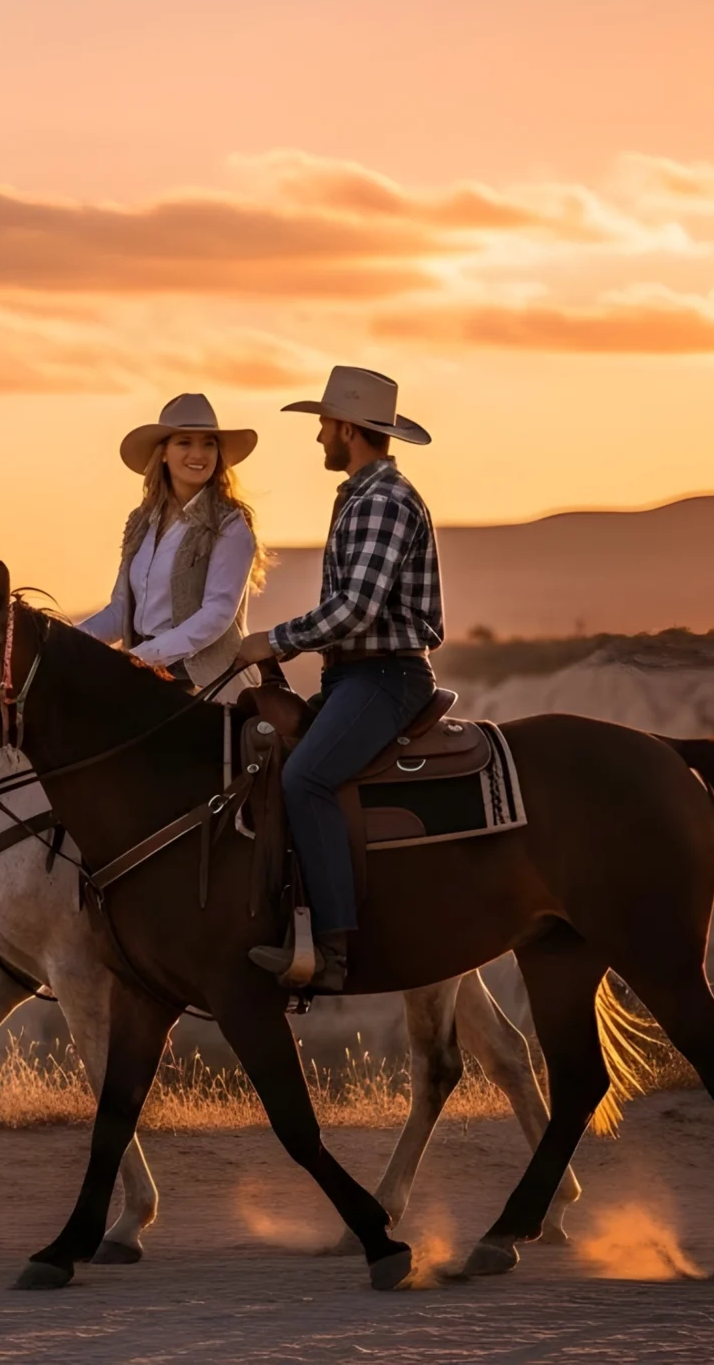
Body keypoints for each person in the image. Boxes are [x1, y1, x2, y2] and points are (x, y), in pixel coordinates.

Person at [240, 366, 442, 991]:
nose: (320, 436)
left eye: (325, 424)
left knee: (306, 779)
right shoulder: (362, 496)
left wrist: (271, 640)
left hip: (386, 677)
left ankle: (331, 952)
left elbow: (356, 608)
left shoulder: (382, 502)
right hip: (356, 676)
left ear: (349, 428)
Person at [78, 393, 265, 696]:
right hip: (143, 672)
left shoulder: (230, 524)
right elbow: (120, 610)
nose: (198, 453)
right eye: (185, 442)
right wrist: (64, 638)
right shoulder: (141, 522)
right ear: (163, 452)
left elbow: (217, 613)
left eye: (208, 443)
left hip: (209, 683)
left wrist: (146, 656)